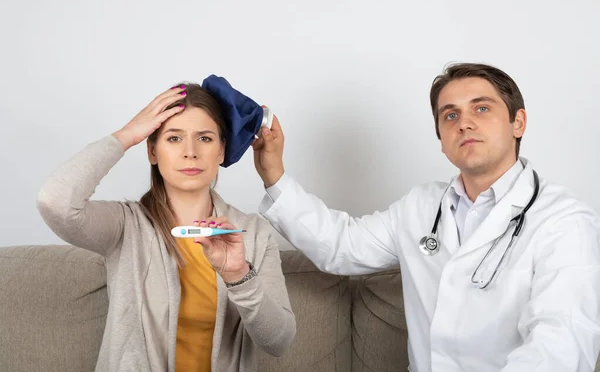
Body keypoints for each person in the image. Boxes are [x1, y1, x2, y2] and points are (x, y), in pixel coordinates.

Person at [251, 62, 600, 371]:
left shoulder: (565, 221)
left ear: (517, 122)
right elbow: (342, 246)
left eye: (481, 108)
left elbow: (561, 342)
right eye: (450, 115)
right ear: (442, 141)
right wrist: (274, 174)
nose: (464, 123)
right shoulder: (420, 206)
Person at [37, 83, 296, 372]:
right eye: (174, 138)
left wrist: (238, 276)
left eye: (205, 138)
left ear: (222, 151)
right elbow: (54, 202)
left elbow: (279, 342)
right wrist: (126, 135)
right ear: (152, 151)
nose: (190, 152)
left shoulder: (254, 234)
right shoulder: (125, 226)